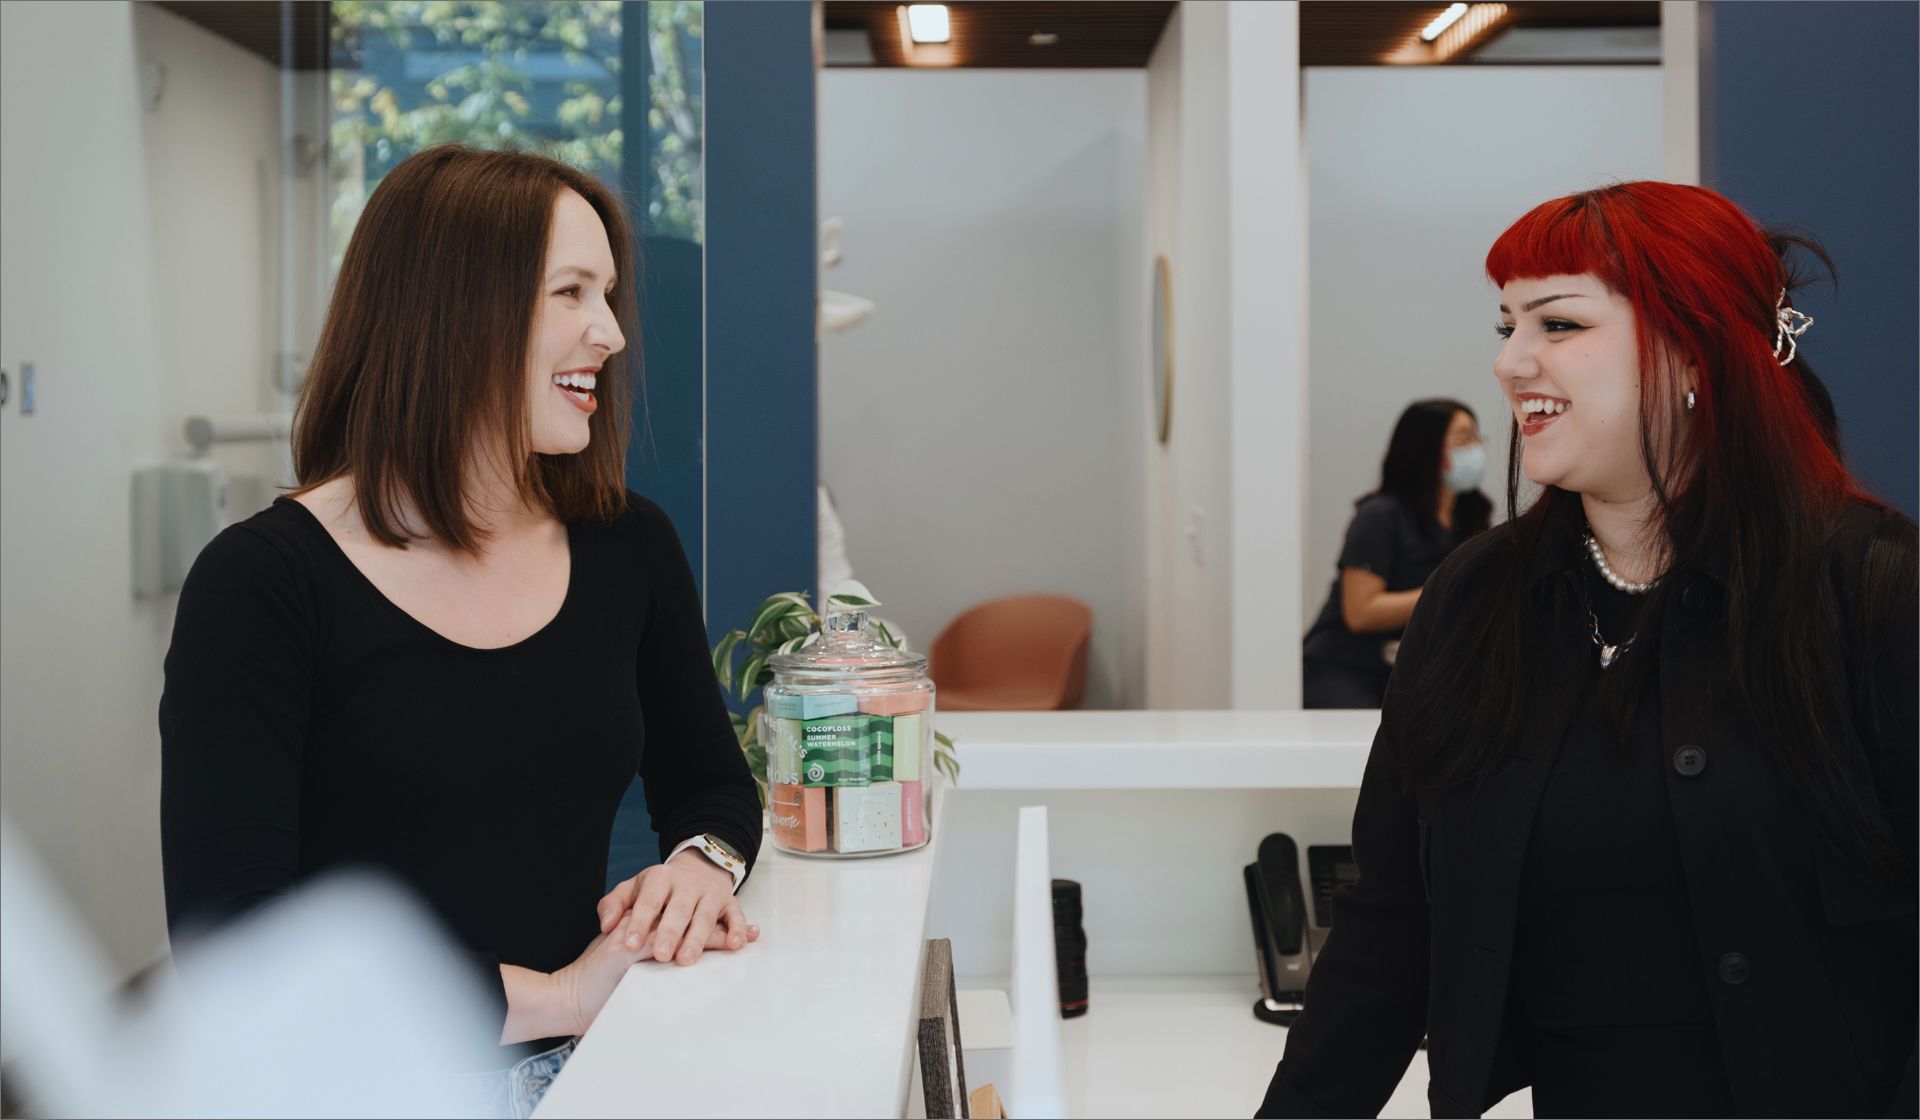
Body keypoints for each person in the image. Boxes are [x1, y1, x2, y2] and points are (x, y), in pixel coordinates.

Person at [1260, 182, 1916, 1117]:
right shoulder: (1476, 599)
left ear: (1696, 350)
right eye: (1506, 324)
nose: (1509, 361)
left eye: (1558, 323)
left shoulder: (1874, 590)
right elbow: (1390, 926)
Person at [159, 145, 763, 1117]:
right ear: (454, 310)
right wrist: (561, 993)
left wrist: (701, 864)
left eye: (607, 295)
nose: (609, 332)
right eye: (571, 291)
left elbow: (712, 783)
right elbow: (237, 948)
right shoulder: (262, 583)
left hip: (591, 1072)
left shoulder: (627, 544)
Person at [1302, 400, 1493, 708]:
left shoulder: (1471, 518)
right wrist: (1446, 591)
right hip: (1343, 670)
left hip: (1412, 671)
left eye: (1476, 438)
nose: (1475, 449)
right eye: (1462, 439)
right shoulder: (1381, 515)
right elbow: (1360, 612)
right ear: (1428, 448)